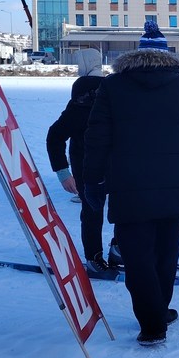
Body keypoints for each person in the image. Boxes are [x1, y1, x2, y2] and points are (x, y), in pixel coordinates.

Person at [82, 21, 179, 346]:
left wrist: (93, 182)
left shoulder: (112, 87)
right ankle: (158, 309)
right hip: (175, 188)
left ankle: (152, 319)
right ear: (167, 57)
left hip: (129, 189)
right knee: (166, 252)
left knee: (138, 255)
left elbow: (96, 140)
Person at [46, 48, 116, 274]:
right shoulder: (112, 90)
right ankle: (117, 248)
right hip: (113, 162)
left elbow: (55, 135)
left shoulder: (81, 97)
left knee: (92, 211)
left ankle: (95, 256)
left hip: (88, 165)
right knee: (121, 208)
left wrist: (63, 173)